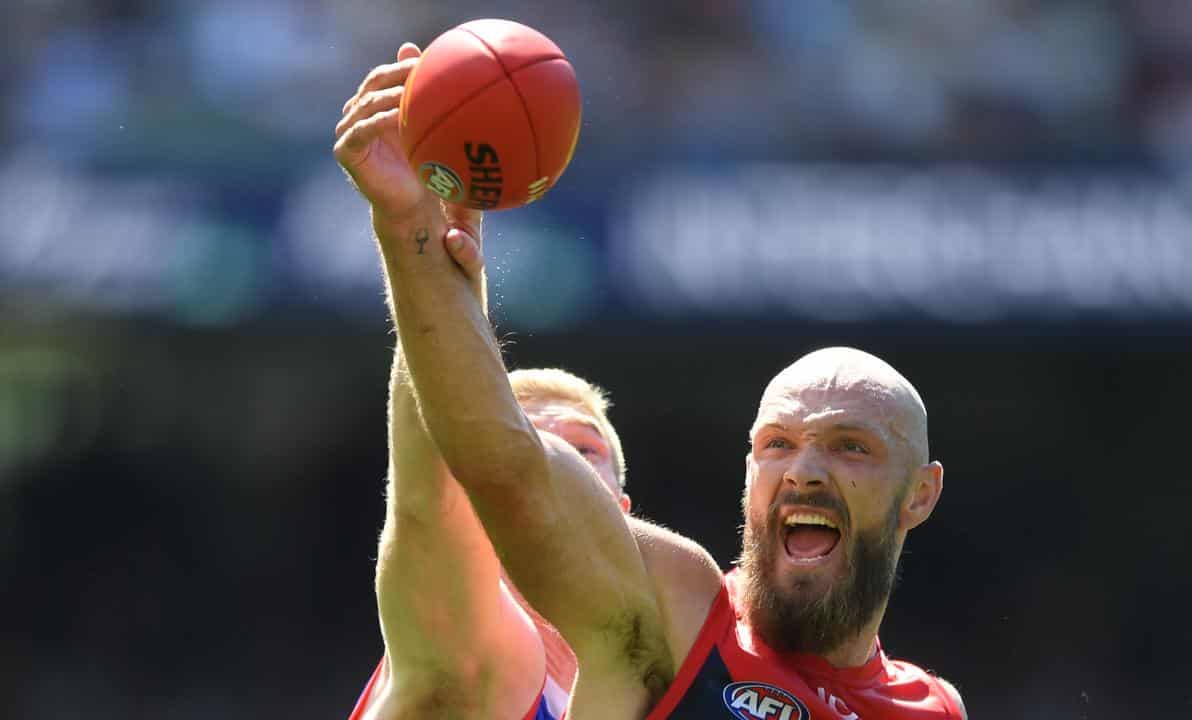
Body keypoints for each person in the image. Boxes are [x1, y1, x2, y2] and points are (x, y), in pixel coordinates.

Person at [336, 40, 966, 720]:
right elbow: (497, 464)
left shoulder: (931, 708)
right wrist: (412, 236)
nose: (805, 471)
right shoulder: (678, 613)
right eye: (778, 444)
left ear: (920, 495)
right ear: (748, 468)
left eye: (851, 446)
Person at [336, 43, 631, 720]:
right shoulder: (475, 663)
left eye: (583, 451)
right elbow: (424, 506)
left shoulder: (679, 677)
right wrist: (414, 238)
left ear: (624, 509)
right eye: (523, 445)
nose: (548, 462)